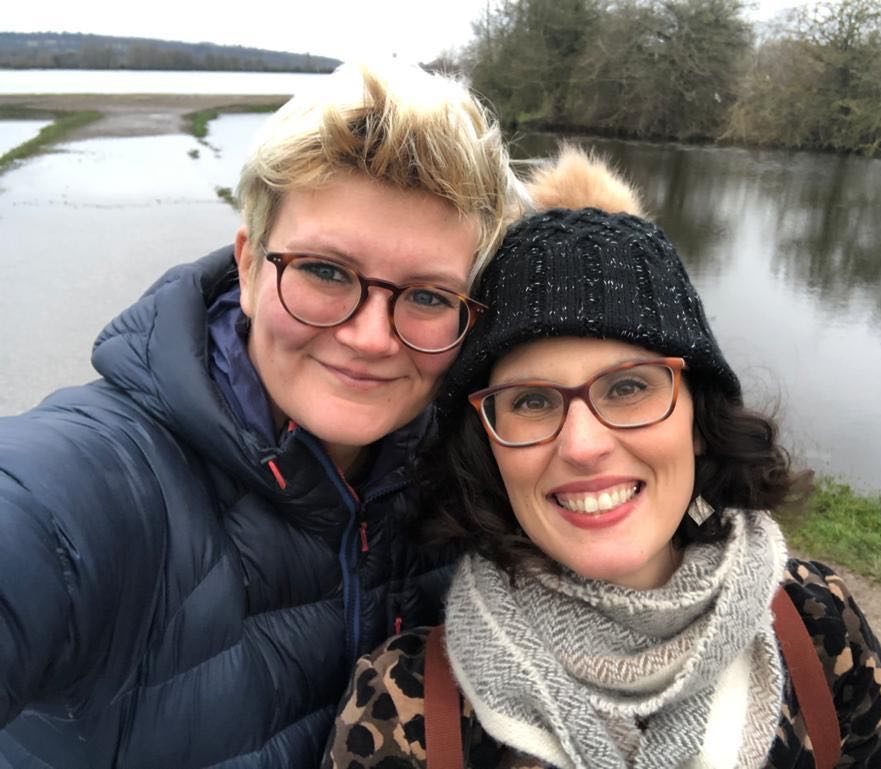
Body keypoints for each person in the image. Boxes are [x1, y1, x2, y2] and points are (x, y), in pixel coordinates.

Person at [0, 61, 523, 768]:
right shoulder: (97, 482)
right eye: (327, 271)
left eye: (428, 296)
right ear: (248, 267)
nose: (369, 337)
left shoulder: (471, 478)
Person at [324, 148, 881, 768]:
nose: (583, 445)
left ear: (698, 419)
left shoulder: (819, 630)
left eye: (629, 388)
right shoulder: (405, 708)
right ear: (487, 447)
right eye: (532, 401)